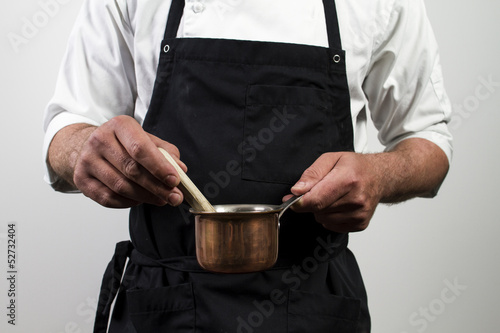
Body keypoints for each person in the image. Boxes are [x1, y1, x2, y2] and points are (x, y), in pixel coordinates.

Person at [43, 0, 452, 332]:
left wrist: (379, 175)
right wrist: (84, 148)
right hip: (164, 305)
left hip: (314, 304)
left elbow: (430, 140)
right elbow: (67, 127)